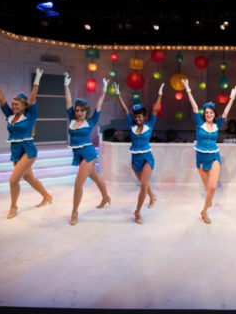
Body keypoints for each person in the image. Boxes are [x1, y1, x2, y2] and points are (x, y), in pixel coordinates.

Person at [0, 68, 52, 219]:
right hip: (16, 151)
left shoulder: (30, 115)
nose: (14, 106)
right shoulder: (10, 116)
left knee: (13, 180)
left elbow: (33, 98)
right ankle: (47, 196)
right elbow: (1, 99)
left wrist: (37, 79)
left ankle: (13, 206)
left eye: (17, 104)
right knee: (29, 178)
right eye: (13, 104)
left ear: (24, 106)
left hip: (28, 150)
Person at [181, 79, 236, 224]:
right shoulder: (199, 124)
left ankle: (204, 211)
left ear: (214, 114)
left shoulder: (218, 125)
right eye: (206, 112)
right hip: (200, 157)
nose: (208, 114)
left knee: (213, 186)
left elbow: (225, 112)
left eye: (210, 112)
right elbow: (194, 107)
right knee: (208, 188)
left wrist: (232, 97)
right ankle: (208, 202)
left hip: (214, 156)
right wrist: (188, 88)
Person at [64, 72, 112, 226]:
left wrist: (104, 89)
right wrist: (66, 85)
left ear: (86, 112)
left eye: (82, 111)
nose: (79, 113)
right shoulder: (72, 120)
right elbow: (68, 101)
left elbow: (98, 104)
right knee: (96, 178)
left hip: (89, 154)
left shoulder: (91, 122)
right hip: (78, 154)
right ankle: (106, 197)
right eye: (77, 110)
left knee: (78, 184)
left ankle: (74, 212)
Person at [114, 82, 163, 224]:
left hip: (147, 158)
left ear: (144, 116)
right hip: (135, 159)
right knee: (143, 183)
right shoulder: (132, 125)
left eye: (140, 116)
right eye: (136, 116)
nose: (138, 118)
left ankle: (137, 212)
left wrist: (160, 94)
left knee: (142, 186)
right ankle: (152, 197)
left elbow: (154, 110)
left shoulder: (149, 125)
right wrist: (118, 95)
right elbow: (124, 110)